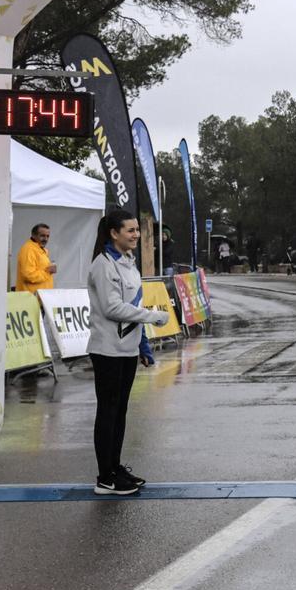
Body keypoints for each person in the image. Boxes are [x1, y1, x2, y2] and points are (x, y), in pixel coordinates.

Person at [86, 209, 171, 495]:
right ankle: (105, 478)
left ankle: (115, 467)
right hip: (107, 350)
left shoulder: (129, 263)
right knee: (108, 412)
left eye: (137, 230)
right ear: (114, 233)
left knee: (120, 412)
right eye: (130, 230)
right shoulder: (103, 264)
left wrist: (144, 346)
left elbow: (132, 306)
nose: (136, 235)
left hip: (127, 349)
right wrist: (152, 316)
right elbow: (112, 308)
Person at [15, 223, 56, 293]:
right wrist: (47, 272)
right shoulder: (28, 249)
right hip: (31, 299)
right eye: (42, 236)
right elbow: (28, 275)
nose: (45, 239)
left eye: (47, 236)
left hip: (40, 297)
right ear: (33, 235)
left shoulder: (41, 249)